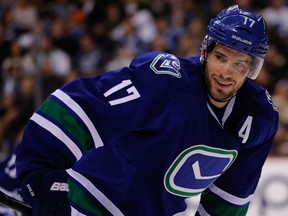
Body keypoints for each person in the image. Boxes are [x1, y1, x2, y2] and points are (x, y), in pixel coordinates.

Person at [15, 5, 278, 216]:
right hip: (91, 201)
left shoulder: (259, 118)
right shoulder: (166, 82)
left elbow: (229, 201)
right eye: (221, 57)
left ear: (252, 69)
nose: (225, 72)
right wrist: (40, 173)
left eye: (239, 64)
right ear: (205, 53)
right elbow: (77, 105)